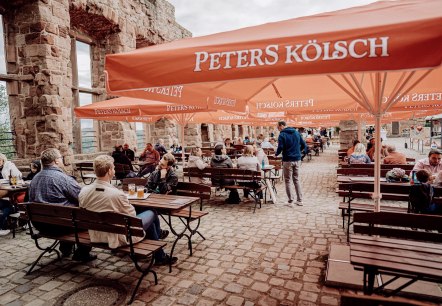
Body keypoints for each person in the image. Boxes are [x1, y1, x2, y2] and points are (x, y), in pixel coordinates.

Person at [79, 155, 176, 265]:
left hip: (96, 234)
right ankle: (159, 252)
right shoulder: (117, 194)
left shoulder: (84, 191)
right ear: (109, 171)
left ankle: (160, 255)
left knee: (150, 222)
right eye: (114, 168)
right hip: (117, 238)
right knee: (152, 212)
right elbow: (132, 216)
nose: (114, 170)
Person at [28, 148, 95, 261]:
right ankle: (82, 252)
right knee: (86, 215)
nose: (62, 160)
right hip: (62, 226)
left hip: (40, 224)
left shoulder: (35, 178)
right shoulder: (63, 179)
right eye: (61, 157)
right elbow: (82, 197)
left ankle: (65, 248)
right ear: (56, 161)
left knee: (64, 212)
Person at [275, 121, 306, 207]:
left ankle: (290, 201)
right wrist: (298, 152)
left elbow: (280, 147)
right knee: (296, 179)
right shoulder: (296, 132)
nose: (278, 129)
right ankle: (300, 200)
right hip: (297, 159)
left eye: (278, 127)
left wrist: (276, 154)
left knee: (288, 180)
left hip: (288, 159)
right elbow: (303, 145)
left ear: (281, 126)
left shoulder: (282, 134)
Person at [0, 153, 22, 236]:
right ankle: (2, 226)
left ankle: (3, 226)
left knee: (6, 205)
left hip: (9, 188)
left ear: (3, 159)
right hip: (3, 191)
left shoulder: (9, 165)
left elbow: (18, 176)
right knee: (6, 206)